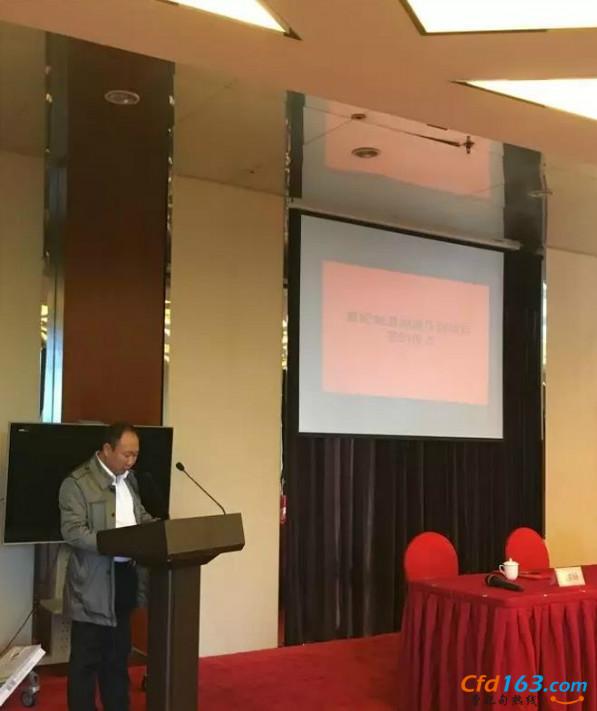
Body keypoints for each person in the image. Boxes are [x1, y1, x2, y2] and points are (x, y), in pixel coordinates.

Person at [59, 422, 153, 711]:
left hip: (124, 579)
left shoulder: (130, 481)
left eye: (135, 455)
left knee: (117, 658)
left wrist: (161, 530)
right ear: (107, 449)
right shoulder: (77, 484)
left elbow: (139, 518)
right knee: (86, 662)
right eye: (126, 454)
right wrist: (115, 543)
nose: (131, 461)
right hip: (92, 585)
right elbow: (73, 532)